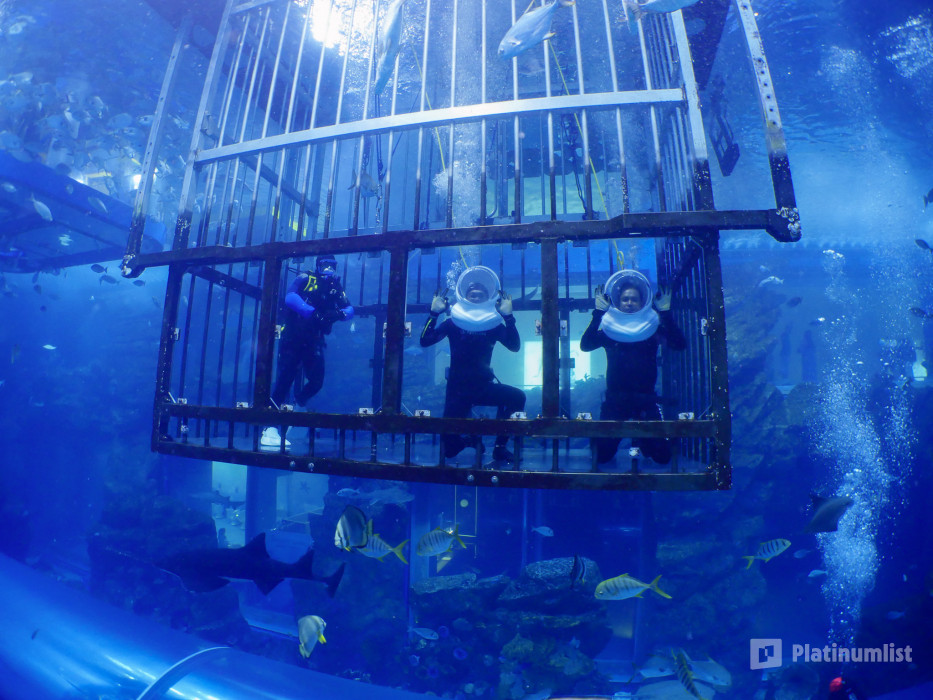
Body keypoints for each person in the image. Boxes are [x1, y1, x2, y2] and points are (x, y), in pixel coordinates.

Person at [580, 269, 686, 468]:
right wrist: (598, 314)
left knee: (663, 457)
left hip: (646, 401)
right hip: (615, 401)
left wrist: (665, 313)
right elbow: (585, 345)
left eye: (634, 299)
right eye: (625, 299)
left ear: (642, 302)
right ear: (617, 302)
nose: (629, 303)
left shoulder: (651, 329)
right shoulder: (609, 330)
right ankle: (613, 441)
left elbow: (679, 344)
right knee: (602, 457)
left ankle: (644, 442)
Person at [419, 266, 526, 464]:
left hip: (483, 387)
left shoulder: (493, 324)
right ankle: (470, 440)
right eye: (472, 294)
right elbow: (425, 341)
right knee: (449, 451)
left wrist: (509, 317)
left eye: (480, 295)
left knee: (518, 397)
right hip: (457, 391)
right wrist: (434, 313)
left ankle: (500, 448)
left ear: (488, 298)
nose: (476, 297)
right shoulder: (453, 323)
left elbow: (515, 346)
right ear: (464, 296)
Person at [261, 254, 354, 449]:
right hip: (293, 337)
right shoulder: (306, 278)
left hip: (314, 340)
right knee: (285, 378)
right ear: (317, 265)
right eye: (325, 265)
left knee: (317, 380)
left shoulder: (335, 287)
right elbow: (290, 297)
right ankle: (269, 427)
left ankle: (297, 407)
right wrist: (311, 312)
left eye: (332, 266)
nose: (328, 269)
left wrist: (338, 314)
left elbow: (350, 309)